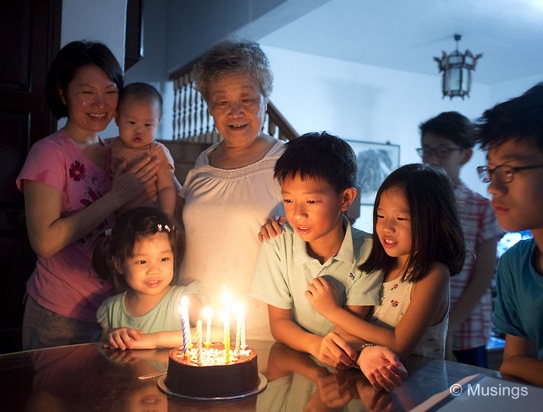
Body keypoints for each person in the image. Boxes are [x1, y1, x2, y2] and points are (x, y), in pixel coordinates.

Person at [16, 40, 159, 350]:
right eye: (87, 92)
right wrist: (117, 196)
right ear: (63, 93)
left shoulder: (115, 152)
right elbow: (44, 242)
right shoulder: (49, 153)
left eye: (109, 92)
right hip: (59, 313)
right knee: (52, 398)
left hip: (115, 313)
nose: (100, 103)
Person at [250, 132, 407, 391]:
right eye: (288, 200)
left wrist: (330, 334)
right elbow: (279, 323)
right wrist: (314, 344)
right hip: (293, 367)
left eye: (311, 201)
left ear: (345, 199)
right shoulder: (277, 243)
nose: (297, 213)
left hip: (348, 372)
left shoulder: (369, 250)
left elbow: (354, 327)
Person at [178, 39, 286, 340]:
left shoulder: (289, 162)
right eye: (222, 102)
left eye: (247, 99)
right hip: (195, 328)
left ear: (265, 99)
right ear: (210, 108)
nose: (235, 111)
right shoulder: (203, 161)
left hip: (258, 330)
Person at [307, 163, 465, 361]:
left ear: (433, 220)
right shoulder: (382, 264)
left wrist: (332, 311)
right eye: (381, 216)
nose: (386, 227)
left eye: (400, 218)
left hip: (417, 385)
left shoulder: (433, 274)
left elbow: (399, 344)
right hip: (371, 377)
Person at [418, 111, 503, 367]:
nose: (432, 158)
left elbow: (484, 275)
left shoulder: (482, 208)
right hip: (418, 321)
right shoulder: (413, 203)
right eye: (427, 150)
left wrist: (450, 325)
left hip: (464, 327)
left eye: (443, 151)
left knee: (469, 398)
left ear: (464, 155)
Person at [475, 83, 543, 387]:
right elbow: (512, 365)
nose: (493, 187)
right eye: (490, 172)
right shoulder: (516, 262)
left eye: (509, 171)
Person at [93, 207, 203, 350]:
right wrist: (112, 337)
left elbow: (216, 333)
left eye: (164, 259)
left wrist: (154, 340)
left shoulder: (182, 300)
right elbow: (102, 350)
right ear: (119, 264)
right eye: (142, 261)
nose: (154, 270)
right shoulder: (111, 309)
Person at [109, 82, 180, 217]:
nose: (139, 130)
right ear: (117, 119)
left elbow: (166, 187)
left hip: (146, 216)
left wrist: (166, 216)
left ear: (158, 124)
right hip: (112, 217)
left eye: (147, 124)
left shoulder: (157, 152)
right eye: (131, 122)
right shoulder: (109, 147)